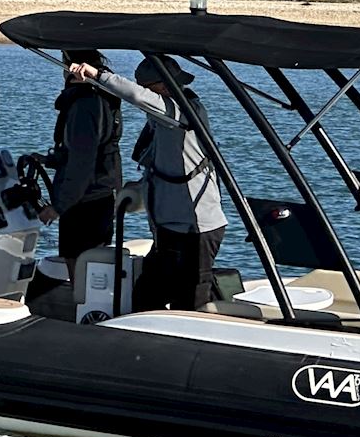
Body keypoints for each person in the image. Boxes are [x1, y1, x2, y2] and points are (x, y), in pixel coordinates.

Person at [68, 55, 227, 310]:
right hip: (169, 227)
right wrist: (139, 188)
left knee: (189, 301)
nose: (153, 93)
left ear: (162, 87)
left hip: (196, 229)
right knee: (145, 296)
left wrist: (99, 76)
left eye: (153, 88)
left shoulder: (181, 111)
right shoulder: (160, 119)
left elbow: (137, 96)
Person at [40, 48, 123, 263]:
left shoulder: (84, 106)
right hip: (102, 194)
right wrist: (49, 160)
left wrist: (58, 207)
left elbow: (81, 162)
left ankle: (80, 297)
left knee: (79, 265)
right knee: (93, 263)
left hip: (86, 200)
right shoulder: (103, 97)